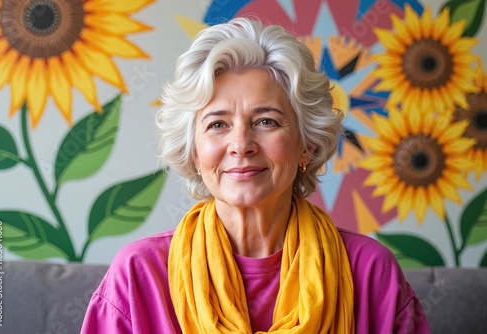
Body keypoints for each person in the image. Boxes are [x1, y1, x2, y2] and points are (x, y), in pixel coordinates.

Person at [81, 18, 430, 333]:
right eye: (217, 124)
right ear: (194, 152)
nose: (241, 144)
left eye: (266, 121)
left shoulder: (369, 272)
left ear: (306, 145)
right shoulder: (139, 274)